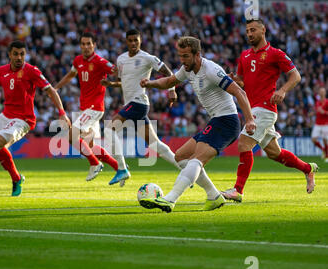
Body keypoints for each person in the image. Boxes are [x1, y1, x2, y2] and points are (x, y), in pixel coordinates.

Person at [138, 36, 256, 212]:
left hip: (227, 121)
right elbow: (170, 81)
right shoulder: (188, 69)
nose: (182, 60)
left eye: (186, 56)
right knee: (180, 156)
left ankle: (170, 199)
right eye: (180, 56)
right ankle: (214, 196)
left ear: (197, 54)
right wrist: (150, 83)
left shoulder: (211, 70)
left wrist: (250, 119)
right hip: (216, 120)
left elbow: (239, 92)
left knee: (196, 159)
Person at [221, 19, 318, 203]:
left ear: (263, 30)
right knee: (275, 153)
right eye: (247, 31)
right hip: (252, 108)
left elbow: (295, 75)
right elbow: (242, 82)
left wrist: (282, 91)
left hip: (265, 108)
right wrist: (234, 80)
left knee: (244, 144)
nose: (249, 34)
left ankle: (237, 190)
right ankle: (308, 169)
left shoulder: (275, 54)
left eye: (253, 30)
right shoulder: (244, 56)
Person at [0, 40, 71, 196]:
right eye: (16, 54)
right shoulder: (1, 71)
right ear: (9, 55)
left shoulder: (32, 71)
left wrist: (62, 112)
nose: (19, 57)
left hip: (23, 119)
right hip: (6, 115)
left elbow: (51, 91)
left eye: (22, 54)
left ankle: (16, 178)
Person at [101, 29, 180, 186]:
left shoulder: (147, 58)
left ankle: (122, 169)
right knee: (154, 144)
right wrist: (110, 84)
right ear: (126, 41)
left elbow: (168, 72)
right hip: (132, 104)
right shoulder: (121, 59)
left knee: (109, 129)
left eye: (136, 40)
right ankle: (185, 168)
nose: (133, 43)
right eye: (130, 40)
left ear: (140, 40)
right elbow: (123, 82)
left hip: (138, 103)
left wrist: (172, 90)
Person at [54, 32, 119, 181]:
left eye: (88, 44)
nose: (85, 47)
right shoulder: (78, 60)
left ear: (94, 45)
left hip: (95, 107)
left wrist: (115, 82)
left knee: (71, 136)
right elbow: (71, 75)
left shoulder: (100, 61)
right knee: (89, 145)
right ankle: (119, 168)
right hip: (85, 108)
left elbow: (116, 71)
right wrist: (56, 88)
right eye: (83, 44)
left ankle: (94, 164)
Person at [311, 87, 328, 162]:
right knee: (313, 139)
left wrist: (324, 112)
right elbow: (317, 111)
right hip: (317, 123)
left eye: (323, 91)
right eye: (320, 91)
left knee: (325, 139)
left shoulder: (327, 102)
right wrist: (312, 113)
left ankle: (327, 155)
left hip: (325, 124)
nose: (321, 93)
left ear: (325, 93)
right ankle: (323, 149)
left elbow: (323, 112)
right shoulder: (317, 102)